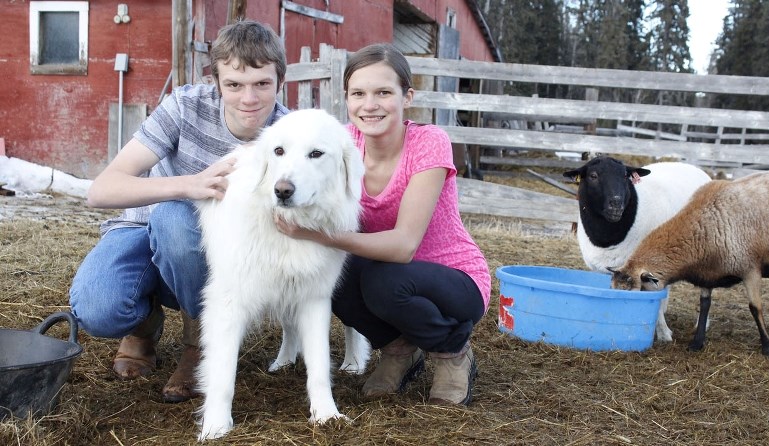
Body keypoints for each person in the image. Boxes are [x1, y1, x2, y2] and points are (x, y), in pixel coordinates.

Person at [69, 20, 289, 403]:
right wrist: (189, 185)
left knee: (177, 222)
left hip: (221, 249)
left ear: (280, 82)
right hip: (142, 224)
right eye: (234, 85)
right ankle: (142, 325)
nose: (248, 98)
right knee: (98, 308)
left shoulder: (290, 134)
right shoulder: (185, 106)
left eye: (262, 84)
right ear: (216, 82)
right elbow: (102, 190)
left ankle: (199, 342)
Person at [275, 43, 491, 405]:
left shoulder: (429, 143)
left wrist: (317, 234)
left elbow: (404, 246)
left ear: (407, 96)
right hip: (388, 274)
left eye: (383, 93)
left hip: (454, 279)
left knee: (381, 280)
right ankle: (399, 349)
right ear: (346, 98)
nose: (369, 104)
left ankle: (453, 352)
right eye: (358, 93)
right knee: (333, 278)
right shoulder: (341, 143)